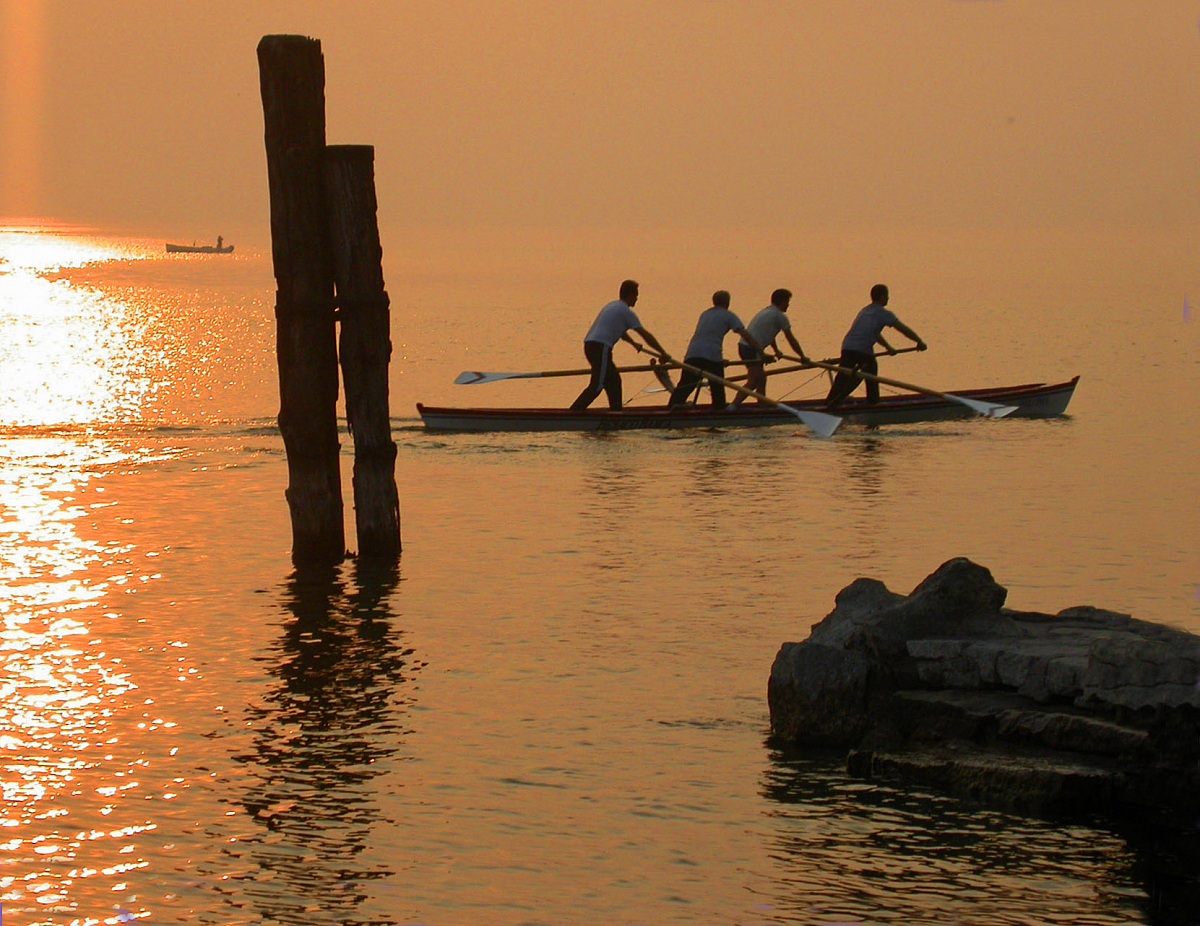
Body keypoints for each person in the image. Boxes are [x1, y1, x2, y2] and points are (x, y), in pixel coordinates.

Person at [570, 280, 671, 410]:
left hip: (591, 345)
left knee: (614, 381)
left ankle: (616, 412)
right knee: (598, 385)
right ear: (630, 295)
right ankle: (573, 413)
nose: (637, 299)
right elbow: (645, 335)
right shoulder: (626, 312)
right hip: (600, 347)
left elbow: (620, 331)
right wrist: (663, 353)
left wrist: (633, 343)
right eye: (636, 296)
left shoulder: (612, 306)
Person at [825, 283, 927, 409]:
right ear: (882, 297)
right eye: (887, 296)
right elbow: (903, 329)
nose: (888, 299)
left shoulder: (865, 311)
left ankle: (830, 402)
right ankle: (872, 404)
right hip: (862, 350)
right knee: (870, 372)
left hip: (848, 346)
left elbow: (874, 333)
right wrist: (919, 341)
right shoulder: (883, 313)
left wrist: (888, 347)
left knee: (843, 376)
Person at [668, 291, 762, 409]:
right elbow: (745, 335)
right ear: (727, 302)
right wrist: (761, 352)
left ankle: (672, 407)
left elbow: (709, 334)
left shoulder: (705, 314)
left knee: (685, 385)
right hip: (712, 355)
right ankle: (719, 409)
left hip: (693, 353)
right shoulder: (729, 315)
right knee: (717, 387)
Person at [730, 288, 811, 408]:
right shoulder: (779, 316)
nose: (788, 304)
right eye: (787, 301)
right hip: (751, 348)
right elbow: (791, 339)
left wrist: (776, 350)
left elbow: (769, 333)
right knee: (753, 381)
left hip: (746, 346)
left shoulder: (767, 311)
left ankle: (762, 406)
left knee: (761, 380)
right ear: (782, 302)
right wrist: (802, 357)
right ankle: (732, 407)